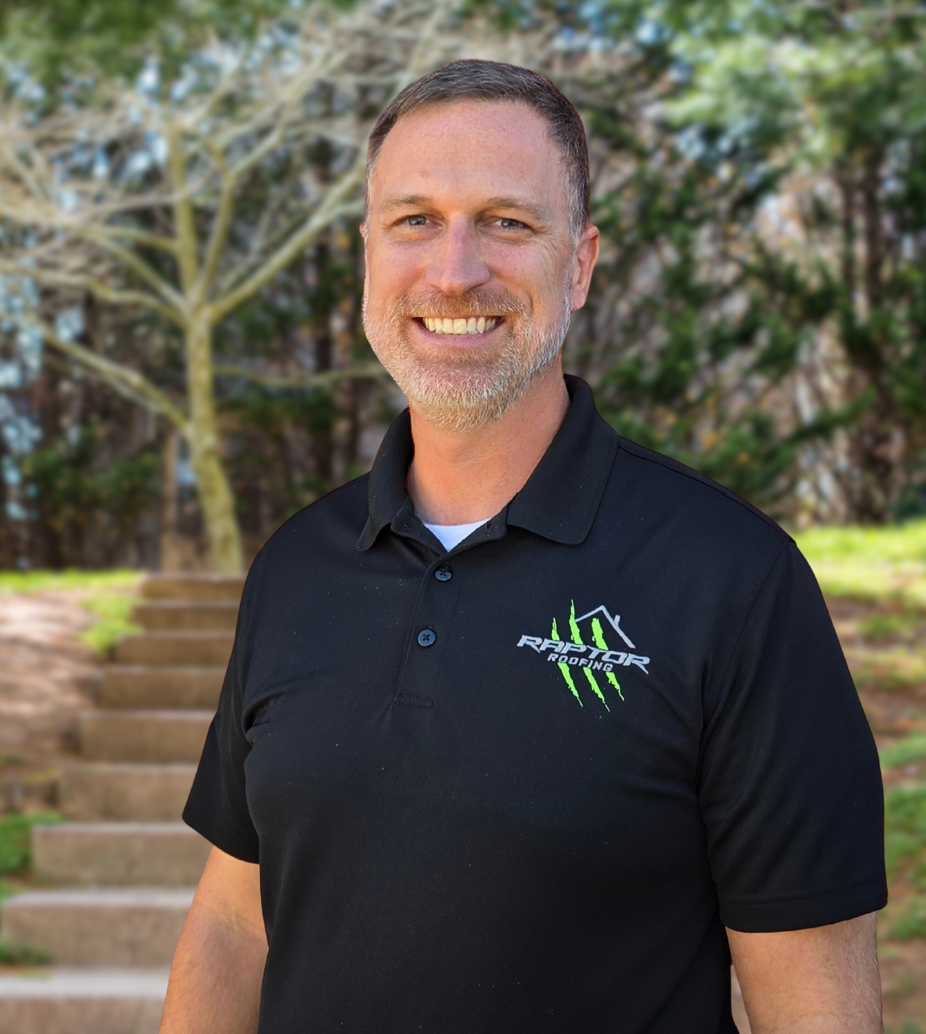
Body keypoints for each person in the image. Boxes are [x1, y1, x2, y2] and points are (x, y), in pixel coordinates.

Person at [161, 60, 887, 1034]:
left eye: (506, 221)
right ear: (366, 254)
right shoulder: (295, 565)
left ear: (579, 263)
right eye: (413, 219)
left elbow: (814, 1009)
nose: (453, 270)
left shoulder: (733, 581)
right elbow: (233, 917)